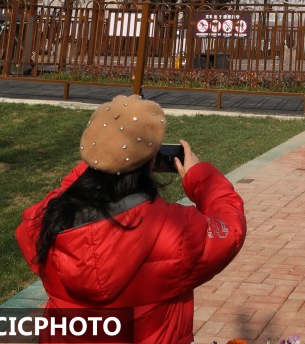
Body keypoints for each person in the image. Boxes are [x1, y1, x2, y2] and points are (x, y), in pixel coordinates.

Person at [16, 93, 246, 344]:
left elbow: (64, 191)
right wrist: (200, 177)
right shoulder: (175, 231)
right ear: (151, 161)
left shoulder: (46, 221)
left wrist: (103, 157)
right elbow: (230, 229)